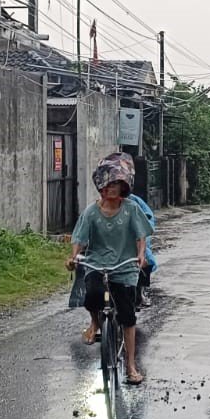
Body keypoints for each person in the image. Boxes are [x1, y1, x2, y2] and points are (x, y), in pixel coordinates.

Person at [67, 154, 153, 385]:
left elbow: (140, 236)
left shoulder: (131, 209)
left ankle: (131, 366)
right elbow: (80, 238)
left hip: (124, 265)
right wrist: (74, 257)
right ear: (102, 187)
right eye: (109, 184)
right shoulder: (91, 212)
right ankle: (95, 322)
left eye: (117, 184)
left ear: (123, 187)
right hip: (97, 261)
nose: (112, 188)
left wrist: (141, 255)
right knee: (92, 295)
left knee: (127, 315)